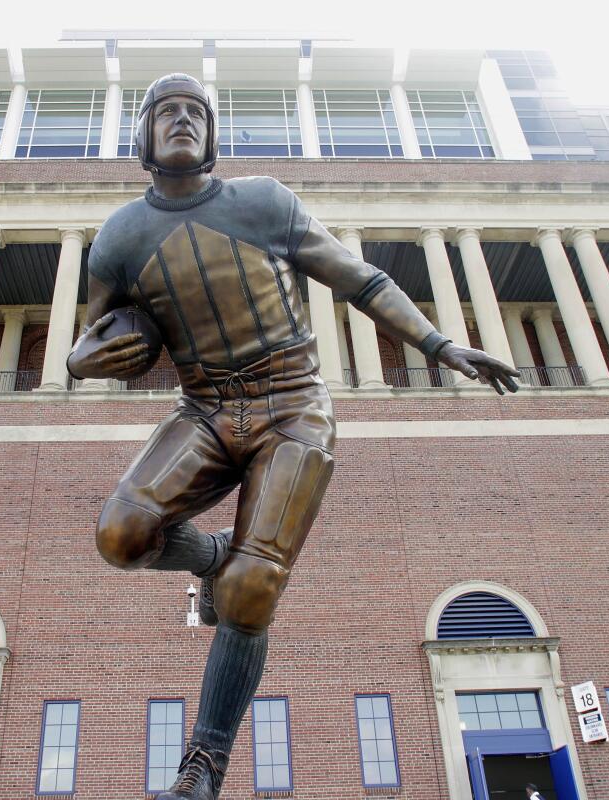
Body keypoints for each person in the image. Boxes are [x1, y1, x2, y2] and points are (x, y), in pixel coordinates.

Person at [68, 73, 519, 800]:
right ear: (144, 138)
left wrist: (439, 346)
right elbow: (98, 340)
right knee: (120, 535)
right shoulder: (121, 236)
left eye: (195, 112)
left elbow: (359, 279)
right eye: (167, 113)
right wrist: (78, 361)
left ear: (211, 133)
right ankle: (213, 553)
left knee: (252, 590)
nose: (182, 121)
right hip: (205, 410)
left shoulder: (265, 201)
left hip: (291, 407)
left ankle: (204, 763)